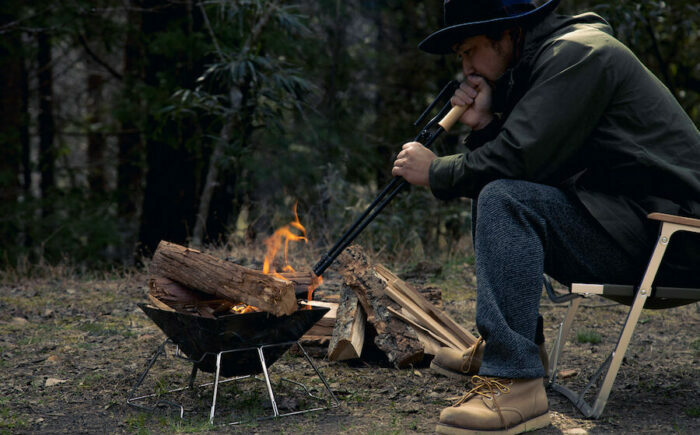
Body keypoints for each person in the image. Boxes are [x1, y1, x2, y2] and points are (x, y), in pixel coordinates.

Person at [391, 0, 700, 433]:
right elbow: (532, 162)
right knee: (501, 192)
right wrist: (483, 125)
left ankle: (516, 384)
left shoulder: (579, 54)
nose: (466, 67)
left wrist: (437, 170)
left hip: (677, 240)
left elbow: (517, 158)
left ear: (507, 34)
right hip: (634, 225)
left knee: (506, 196)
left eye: (468, 50)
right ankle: (515, 348)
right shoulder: (552, 61)